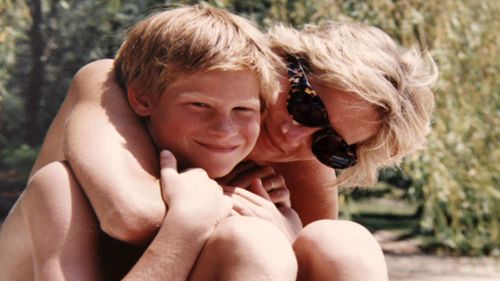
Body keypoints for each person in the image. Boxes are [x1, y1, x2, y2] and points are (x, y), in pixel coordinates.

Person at [1, 6, 438, 281]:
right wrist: (213, 205)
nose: (293, 136)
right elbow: (130, 217)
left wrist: (291, 233)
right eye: (307, 107)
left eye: (332, 146)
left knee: (343, 242)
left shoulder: (304, 162)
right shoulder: (114, 84)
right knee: (254, 242)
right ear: (285, 63)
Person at [0, 5, 300, 281]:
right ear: (142, 99)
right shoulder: (61, 188)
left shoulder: (248, 191)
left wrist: (288, 229)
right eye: (199, 105)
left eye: (242, 110)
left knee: (323, 242)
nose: (224, 128)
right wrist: (186, 227)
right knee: (256, 245)